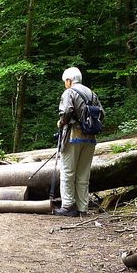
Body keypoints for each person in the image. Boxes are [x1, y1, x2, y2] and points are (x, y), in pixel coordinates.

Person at [54, 67, 103, 217]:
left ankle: (68, 205)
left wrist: (61, 123)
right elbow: (102, 113)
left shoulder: (69, 92)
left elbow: (67, 111)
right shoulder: (92, 94)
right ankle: (83, 207)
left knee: (68, 172)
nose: (65, 85)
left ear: (69, 80)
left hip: (73, 136)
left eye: (65, 82)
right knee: (83, 173)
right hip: (91, 138)